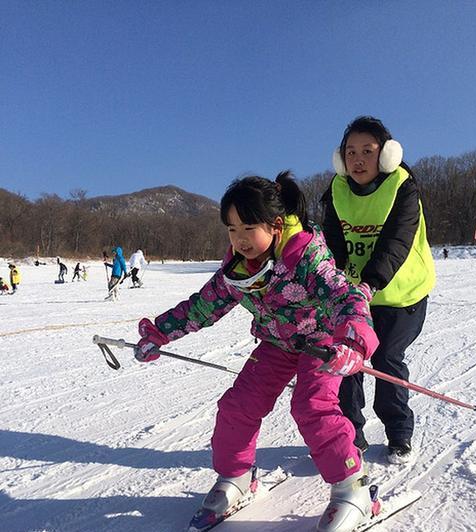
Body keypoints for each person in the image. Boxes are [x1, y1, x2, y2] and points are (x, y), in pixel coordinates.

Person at [134, 172, 379, 532]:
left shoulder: (307, 258)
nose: (240, 239)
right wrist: (160, 333)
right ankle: (236, 476)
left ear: (276, 225)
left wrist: (353, 343)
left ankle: (353, 488)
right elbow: (203, 306)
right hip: (277, 343)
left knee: (312, 406)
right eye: (231, 229)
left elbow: (348, 297)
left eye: (248, 228)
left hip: (323, 343)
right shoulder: (236, 270)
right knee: (238, 405)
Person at [321, 116, 435, 464]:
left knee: (385, 358)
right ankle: (350, 433)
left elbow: (395, 242)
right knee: (348, 361)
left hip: (402, 295)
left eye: (367, 152)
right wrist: (326, 285)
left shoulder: (402, 186)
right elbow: (333, 246)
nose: (358, 159)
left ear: (386, 155)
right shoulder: (337, 191)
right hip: (356, 297)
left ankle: (399, 432)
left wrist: (369, 283)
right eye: (351, 152)